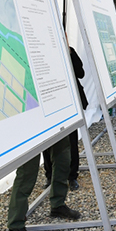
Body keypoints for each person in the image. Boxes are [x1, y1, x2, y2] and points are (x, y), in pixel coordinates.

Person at [6, 47, 85, 231]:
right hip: (30, 115)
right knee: (27, 172)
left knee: (64, 158)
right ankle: (15, 225)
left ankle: (58, 204)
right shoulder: (19, 48)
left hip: (53, 112)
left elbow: (76, 72)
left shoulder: (55, 47)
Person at [43, 47, 88, 191]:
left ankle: (72, 176)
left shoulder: (69, 51)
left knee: (71, 140)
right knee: (48, 142)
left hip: (69, 101)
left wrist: (70, 54)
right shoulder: (41, 51)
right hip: (49, 101)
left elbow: (81, 73)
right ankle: (50, 175)